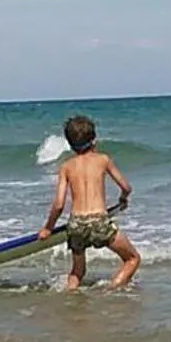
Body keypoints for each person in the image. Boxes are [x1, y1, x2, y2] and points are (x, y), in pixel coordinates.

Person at [40, 113, 140, 289]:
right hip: (99, 221)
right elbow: (126, 187)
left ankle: (71, 298)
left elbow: (59, 204)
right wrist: (123, 199)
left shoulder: (66, 166)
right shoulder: (103, 160)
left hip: (76, 224)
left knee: (77, 272)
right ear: (94, 139)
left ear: (70, 145)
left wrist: (48, 228)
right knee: (132, 259)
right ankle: (111, 290)